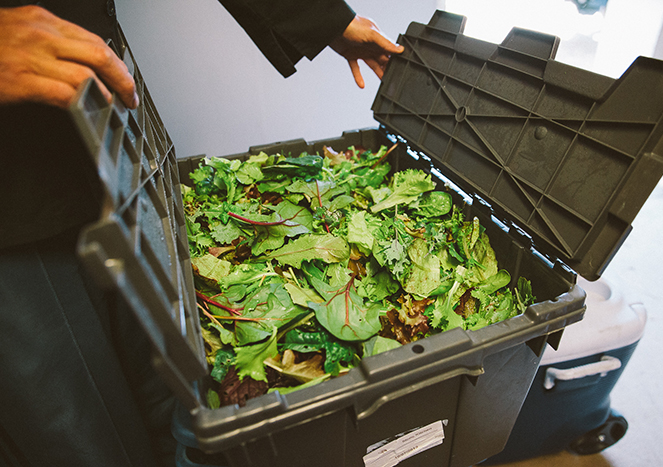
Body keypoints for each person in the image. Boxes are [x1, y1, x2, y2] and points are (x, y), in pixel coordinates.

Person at [0, 2, 403, 466]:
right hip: (14, 210)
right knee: (78, 431)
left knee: (176, 398)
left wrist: (327, 21)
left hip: (112, 138)